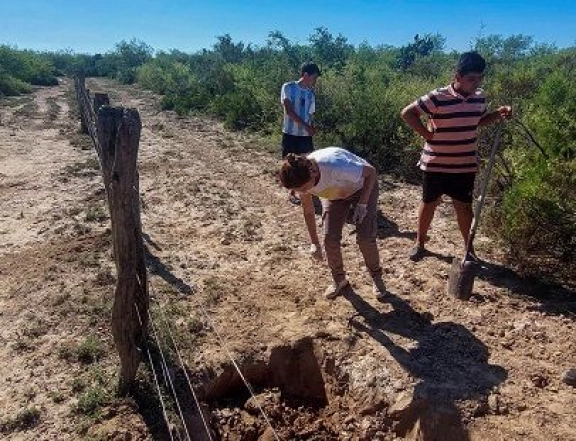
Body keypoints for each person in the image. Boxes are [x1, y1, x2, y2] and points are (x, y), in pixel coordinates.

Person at [400, 51, 512, 261]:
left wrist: (498, 114)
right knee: (429, 203)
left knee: (464, 207)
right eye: (471, 79)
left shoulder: (480, 98)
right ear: (457, 77)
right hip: (435, 163)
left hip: (464, 164)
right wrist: (426, 134)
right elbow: (407, 113)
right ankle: (420, 244)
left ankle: (468, 250)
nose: (476, 83)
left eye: (480, 78)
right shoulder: (437, 97)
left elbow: (477, 121)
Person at [278, 147, 387, 300]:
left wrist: (362, 204)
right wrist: (314, 243)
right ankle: (339, 280)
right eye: (298, 190)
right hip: (334, 195)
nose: (302, 192)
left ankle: (376, 276)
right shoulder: (301, 178)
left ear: (313, 173)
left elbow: (371, 172)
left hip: (362, 188)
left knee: (365, 237)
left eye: (303, 188)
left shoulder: (336, 165)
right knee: (330, 239)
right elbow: (308, 211)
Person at [280, 61, 321, 204]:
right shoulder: (288, 87)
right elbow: (289, 111)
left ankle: (305, 189)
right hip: (291, 133)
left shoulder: (310, 93)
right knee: (291, 164)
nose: (315, 81)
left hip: (305, 136)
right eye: (314, 77)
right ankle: (292, 193)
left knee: (307, 163)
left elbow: (311, 113)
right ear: (305, 75)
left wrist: (312, 127)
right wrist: (306, 126)